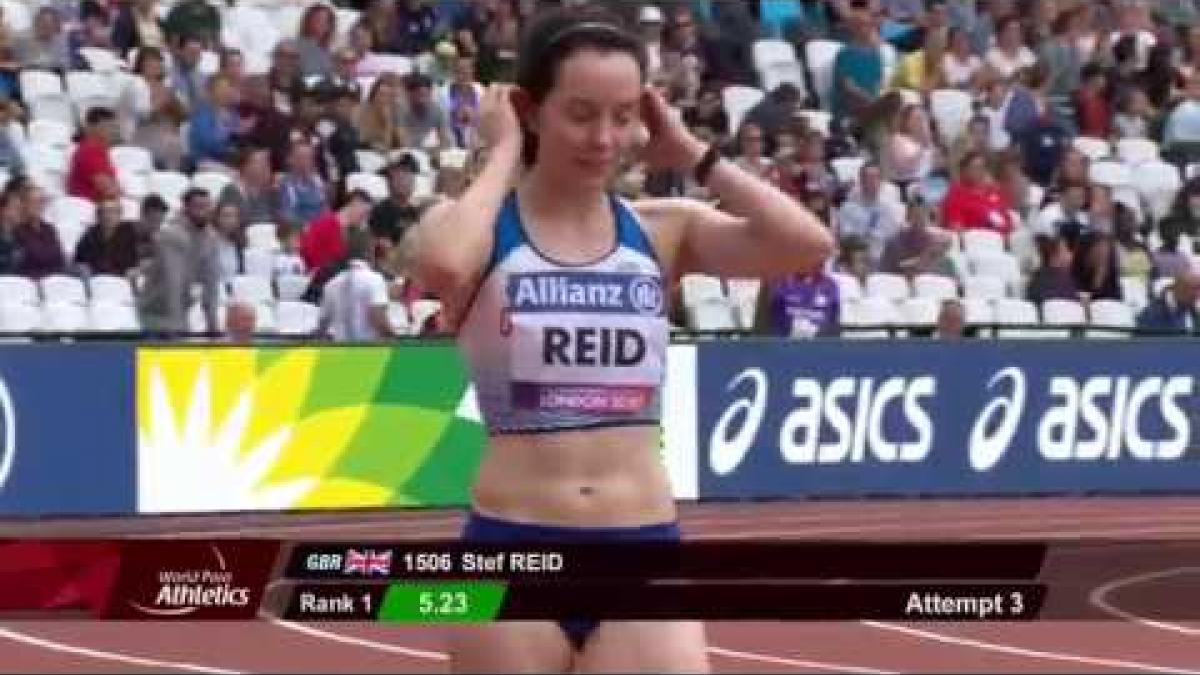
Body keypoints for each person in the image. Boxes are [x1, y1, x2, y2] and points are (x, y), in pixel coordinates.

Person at [406, 8, 833, 672]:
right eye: (580, 113)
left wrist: (694, 154)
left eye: (624, 114)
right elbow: (442, 267)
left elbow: (806, 245)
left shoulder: (662, 230)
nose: (604, 137)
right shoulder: (479, 230)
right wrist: (502, 153)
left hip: (640, 547)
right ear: (531, 108)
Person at [138, 188, 222, 335]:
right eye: (199, 207)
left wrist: (212, 324)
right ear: (186, 209)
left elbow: (211, 283)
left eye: (208, 207)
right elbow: (173, 281)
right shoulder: (172, 235)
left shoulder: (211, 238)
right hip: (155, 312)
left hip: (181, 312)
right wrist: (176, 326)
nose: (205, 212)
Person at [316, 235, 396, 342]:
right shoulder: (375, 279)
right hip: (369, 351)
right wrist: (396, 339)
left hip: (340, 351)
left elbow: (322, 324)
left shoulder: (331, 283)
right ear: (369, 253)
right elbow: (378, 317)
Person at [66, 107, 121, 203]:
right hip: (88, 206)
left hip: (100, 205)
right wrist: (119, 191)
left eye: (114, 127)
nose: (113, 132)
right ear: (92, 128)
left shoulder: (102, 152)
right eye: (109, 127)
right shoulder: (89, 151)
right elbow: (108, 189)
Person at [1137, 270, 1200, 335]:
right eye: (1195, 289)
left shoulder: (1193, 311)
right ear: (1179, 289)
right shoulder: (1151, 315)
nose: (1198, 295)